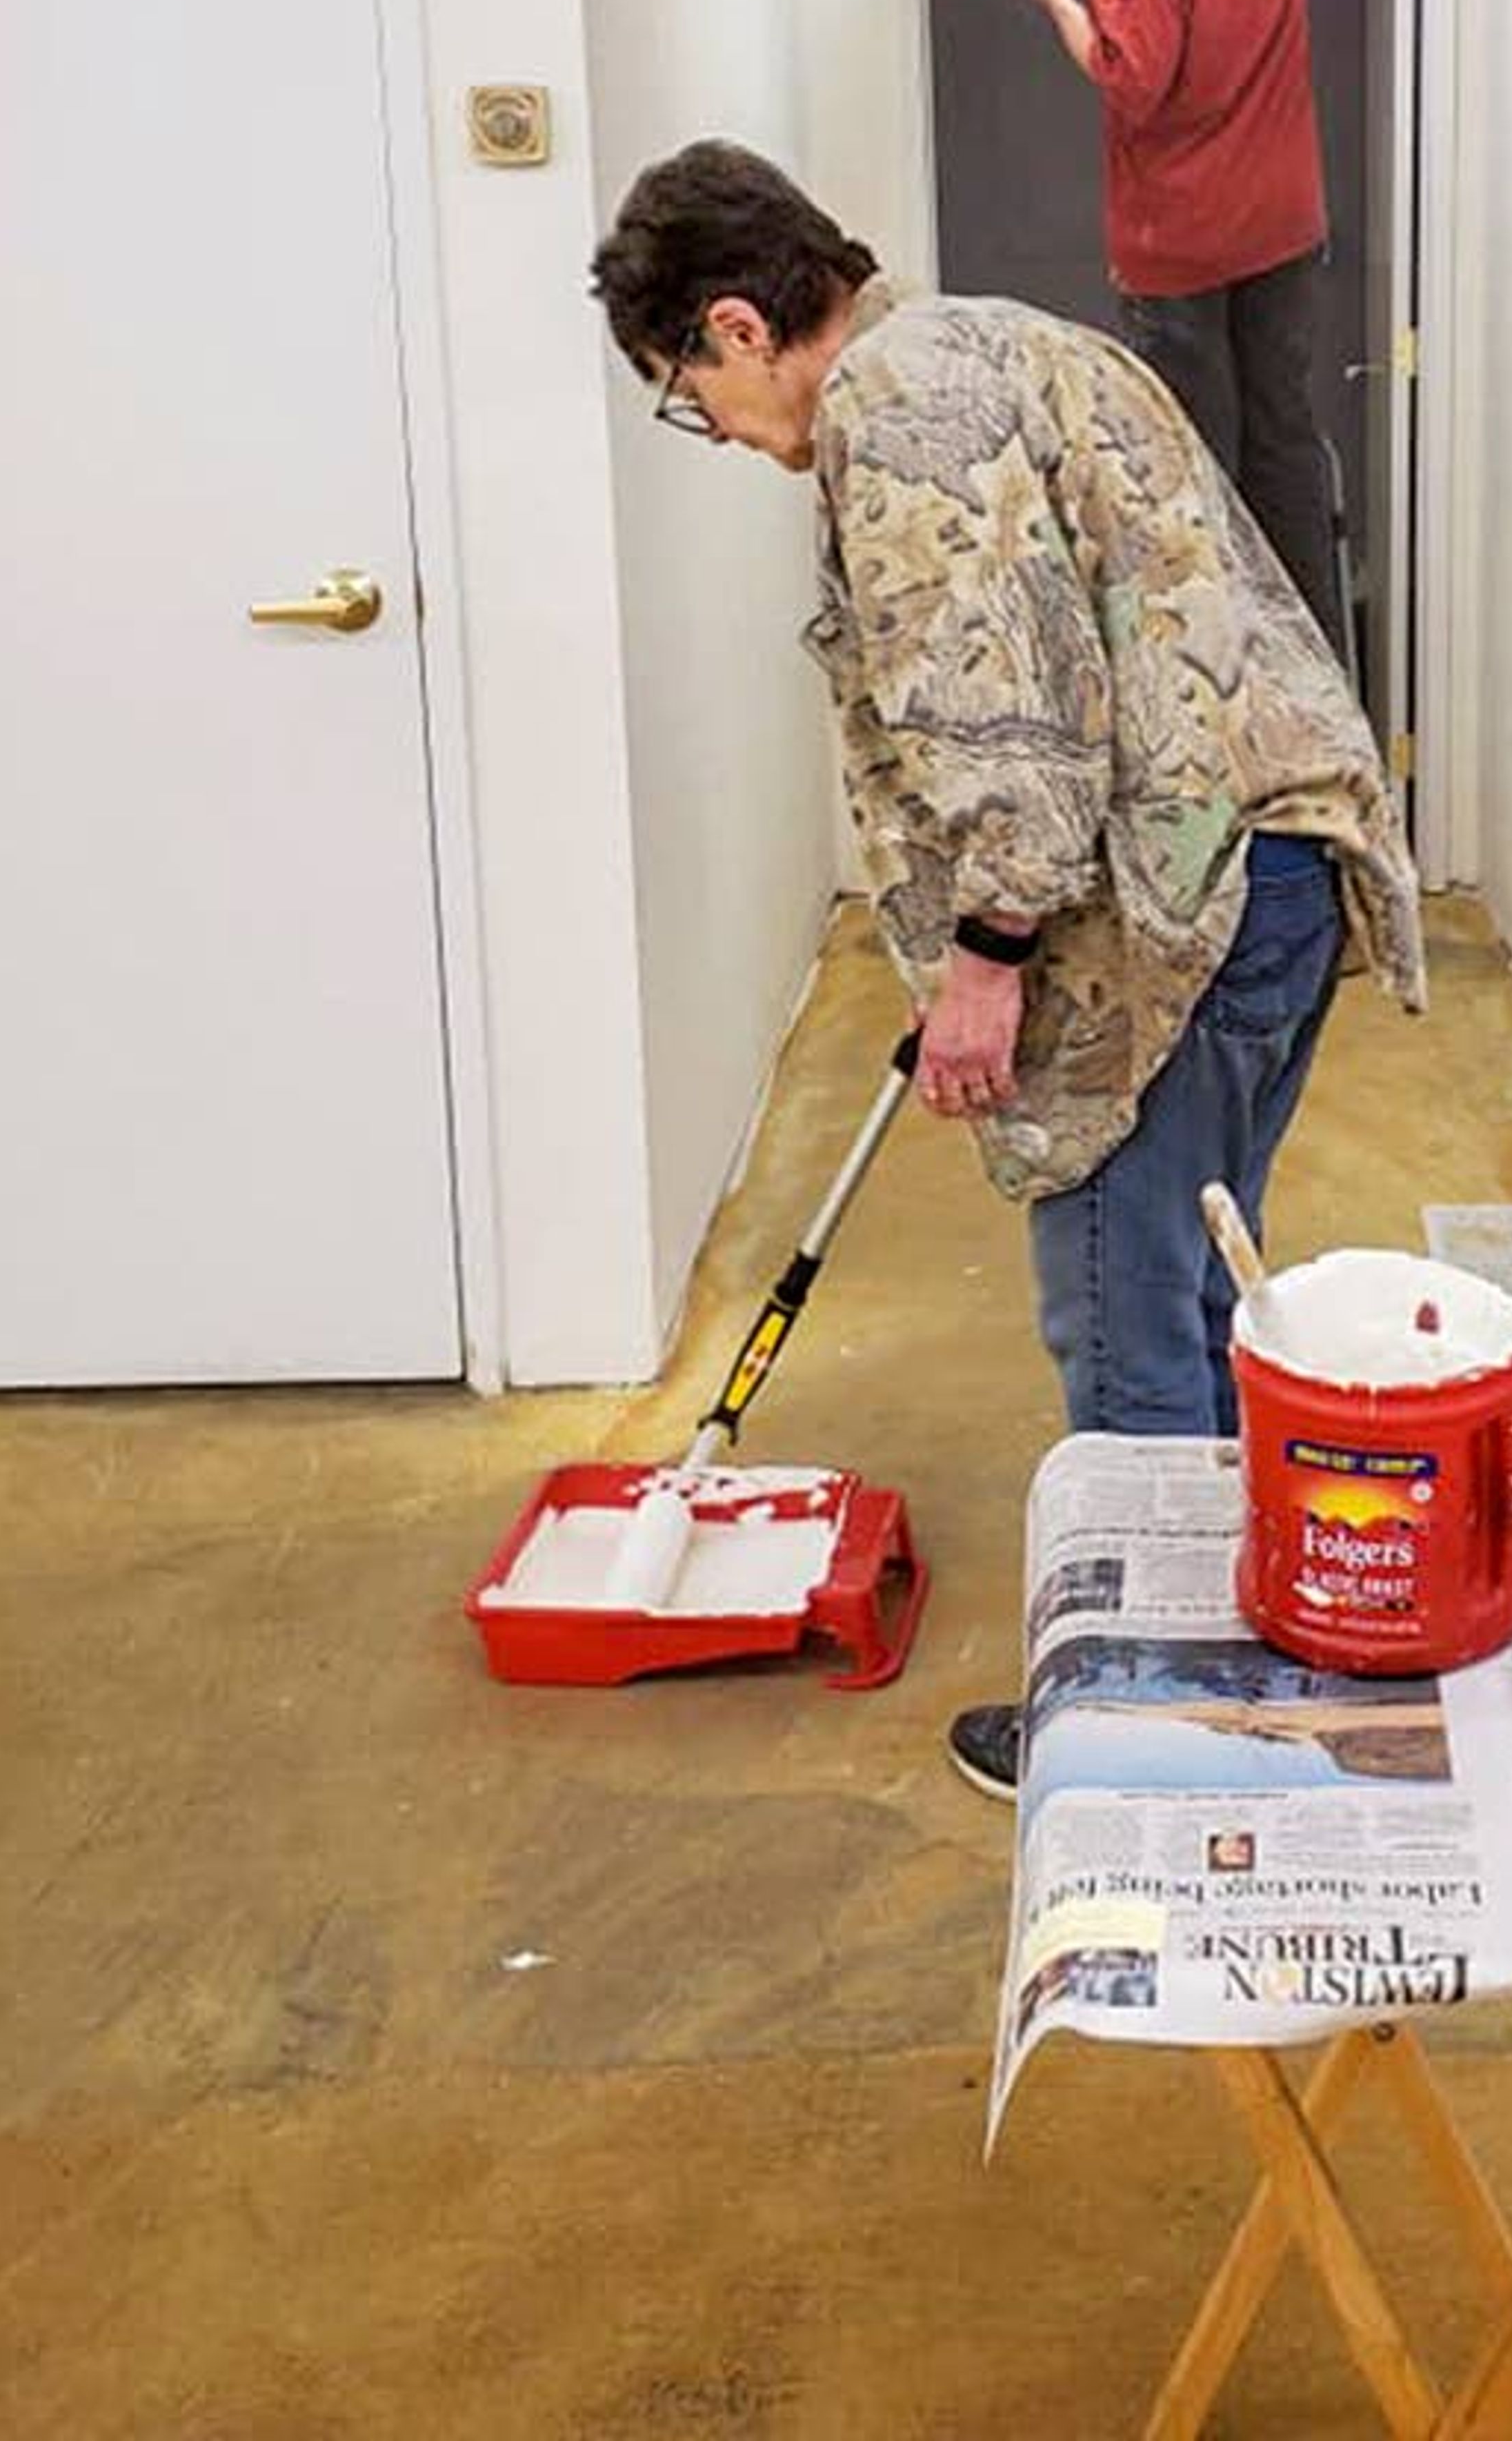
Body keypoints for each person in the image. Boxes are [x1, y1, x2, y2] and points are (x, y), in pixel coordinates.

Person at [589, 140, 1424, 1797]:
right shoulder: (999, 343)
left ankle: (1159, 1731)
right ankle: (1262, 1645)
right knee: (1200, 1287)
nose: (723, 432)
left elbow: (1009, 734)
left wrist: (983, 960)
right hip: (1270, 879)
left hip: (1173, 920)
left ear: (744, 328)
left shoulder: (897, 417)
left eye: (691, 387)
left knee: (1123, 1331)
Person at [997, 0, 1348, 653]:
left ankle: (1216, 657)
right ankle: (1304, 652)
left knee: (1198, 461)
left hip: (1183, 254)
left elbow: (1127, 80)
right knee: (1284, 445)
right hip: (1282, 230)